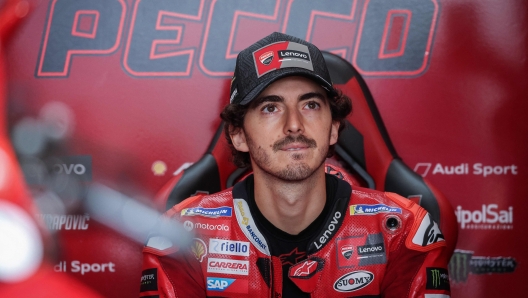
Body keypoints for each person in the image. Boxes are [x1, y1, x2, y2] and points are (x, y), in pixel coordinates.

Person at [140, 32, 451, 298]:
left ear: (333, 128)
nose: (294, 125)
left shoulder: (401, 232)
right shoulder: (184, 235)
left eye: (311, 105)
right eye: (271, 107)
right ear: (238, 134)